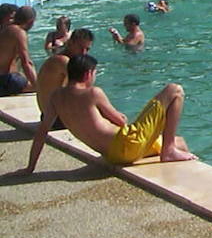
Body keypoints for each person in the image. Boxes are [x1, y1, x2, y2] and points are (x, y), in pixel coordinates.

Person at [21, 53, 195, 174]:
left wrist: (30, 168)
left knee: (181, 142)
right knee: (175, 90)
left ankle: (171, 147)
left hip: (113, 156)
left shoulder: (56, 97)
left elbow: (42, 132)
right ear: (88, 74)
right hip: (128, 143)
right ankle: (169, 151)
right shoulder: (93, 93)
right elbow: (120, 121)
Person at [36, 28, 94, 120]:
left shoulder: (61, 58)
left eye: (87, 49)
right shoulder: (63, 61)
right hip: (54, 119)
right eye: (81, 48)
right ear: (70, 43)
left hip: (51, 116)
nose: (84, 53)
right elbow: (84, 90)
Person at [0, 5, 38, 95]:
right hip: (4, 80)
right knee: (45, 86)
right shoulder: (19, 32)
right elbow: (26, 63)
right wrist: (37, 87)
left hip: (4, 78)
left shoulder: (7, 30)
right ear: (31, 21)